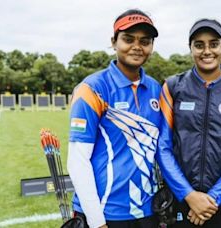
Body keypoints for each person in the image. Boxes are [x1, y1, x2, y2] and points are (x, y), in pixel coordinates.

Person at [156, 18, 221, 227]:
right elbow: (163, 146)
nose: (207, 51)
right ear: (190, 48)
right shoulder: (172, 87)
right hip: (182, 199)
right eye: (199, 45)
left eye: (214, 44)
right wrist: (189, 195)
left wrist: (213, 197)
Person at [67, 9, 161, 228]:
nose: (137, 46)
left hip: (147, 210)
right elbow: (77, 161)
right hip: (103, 213)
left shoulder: (157, 88)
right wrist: (96, 221)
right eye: (128, 39)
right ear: (114, 41)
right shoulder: (92, 88)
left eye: (145, 41)